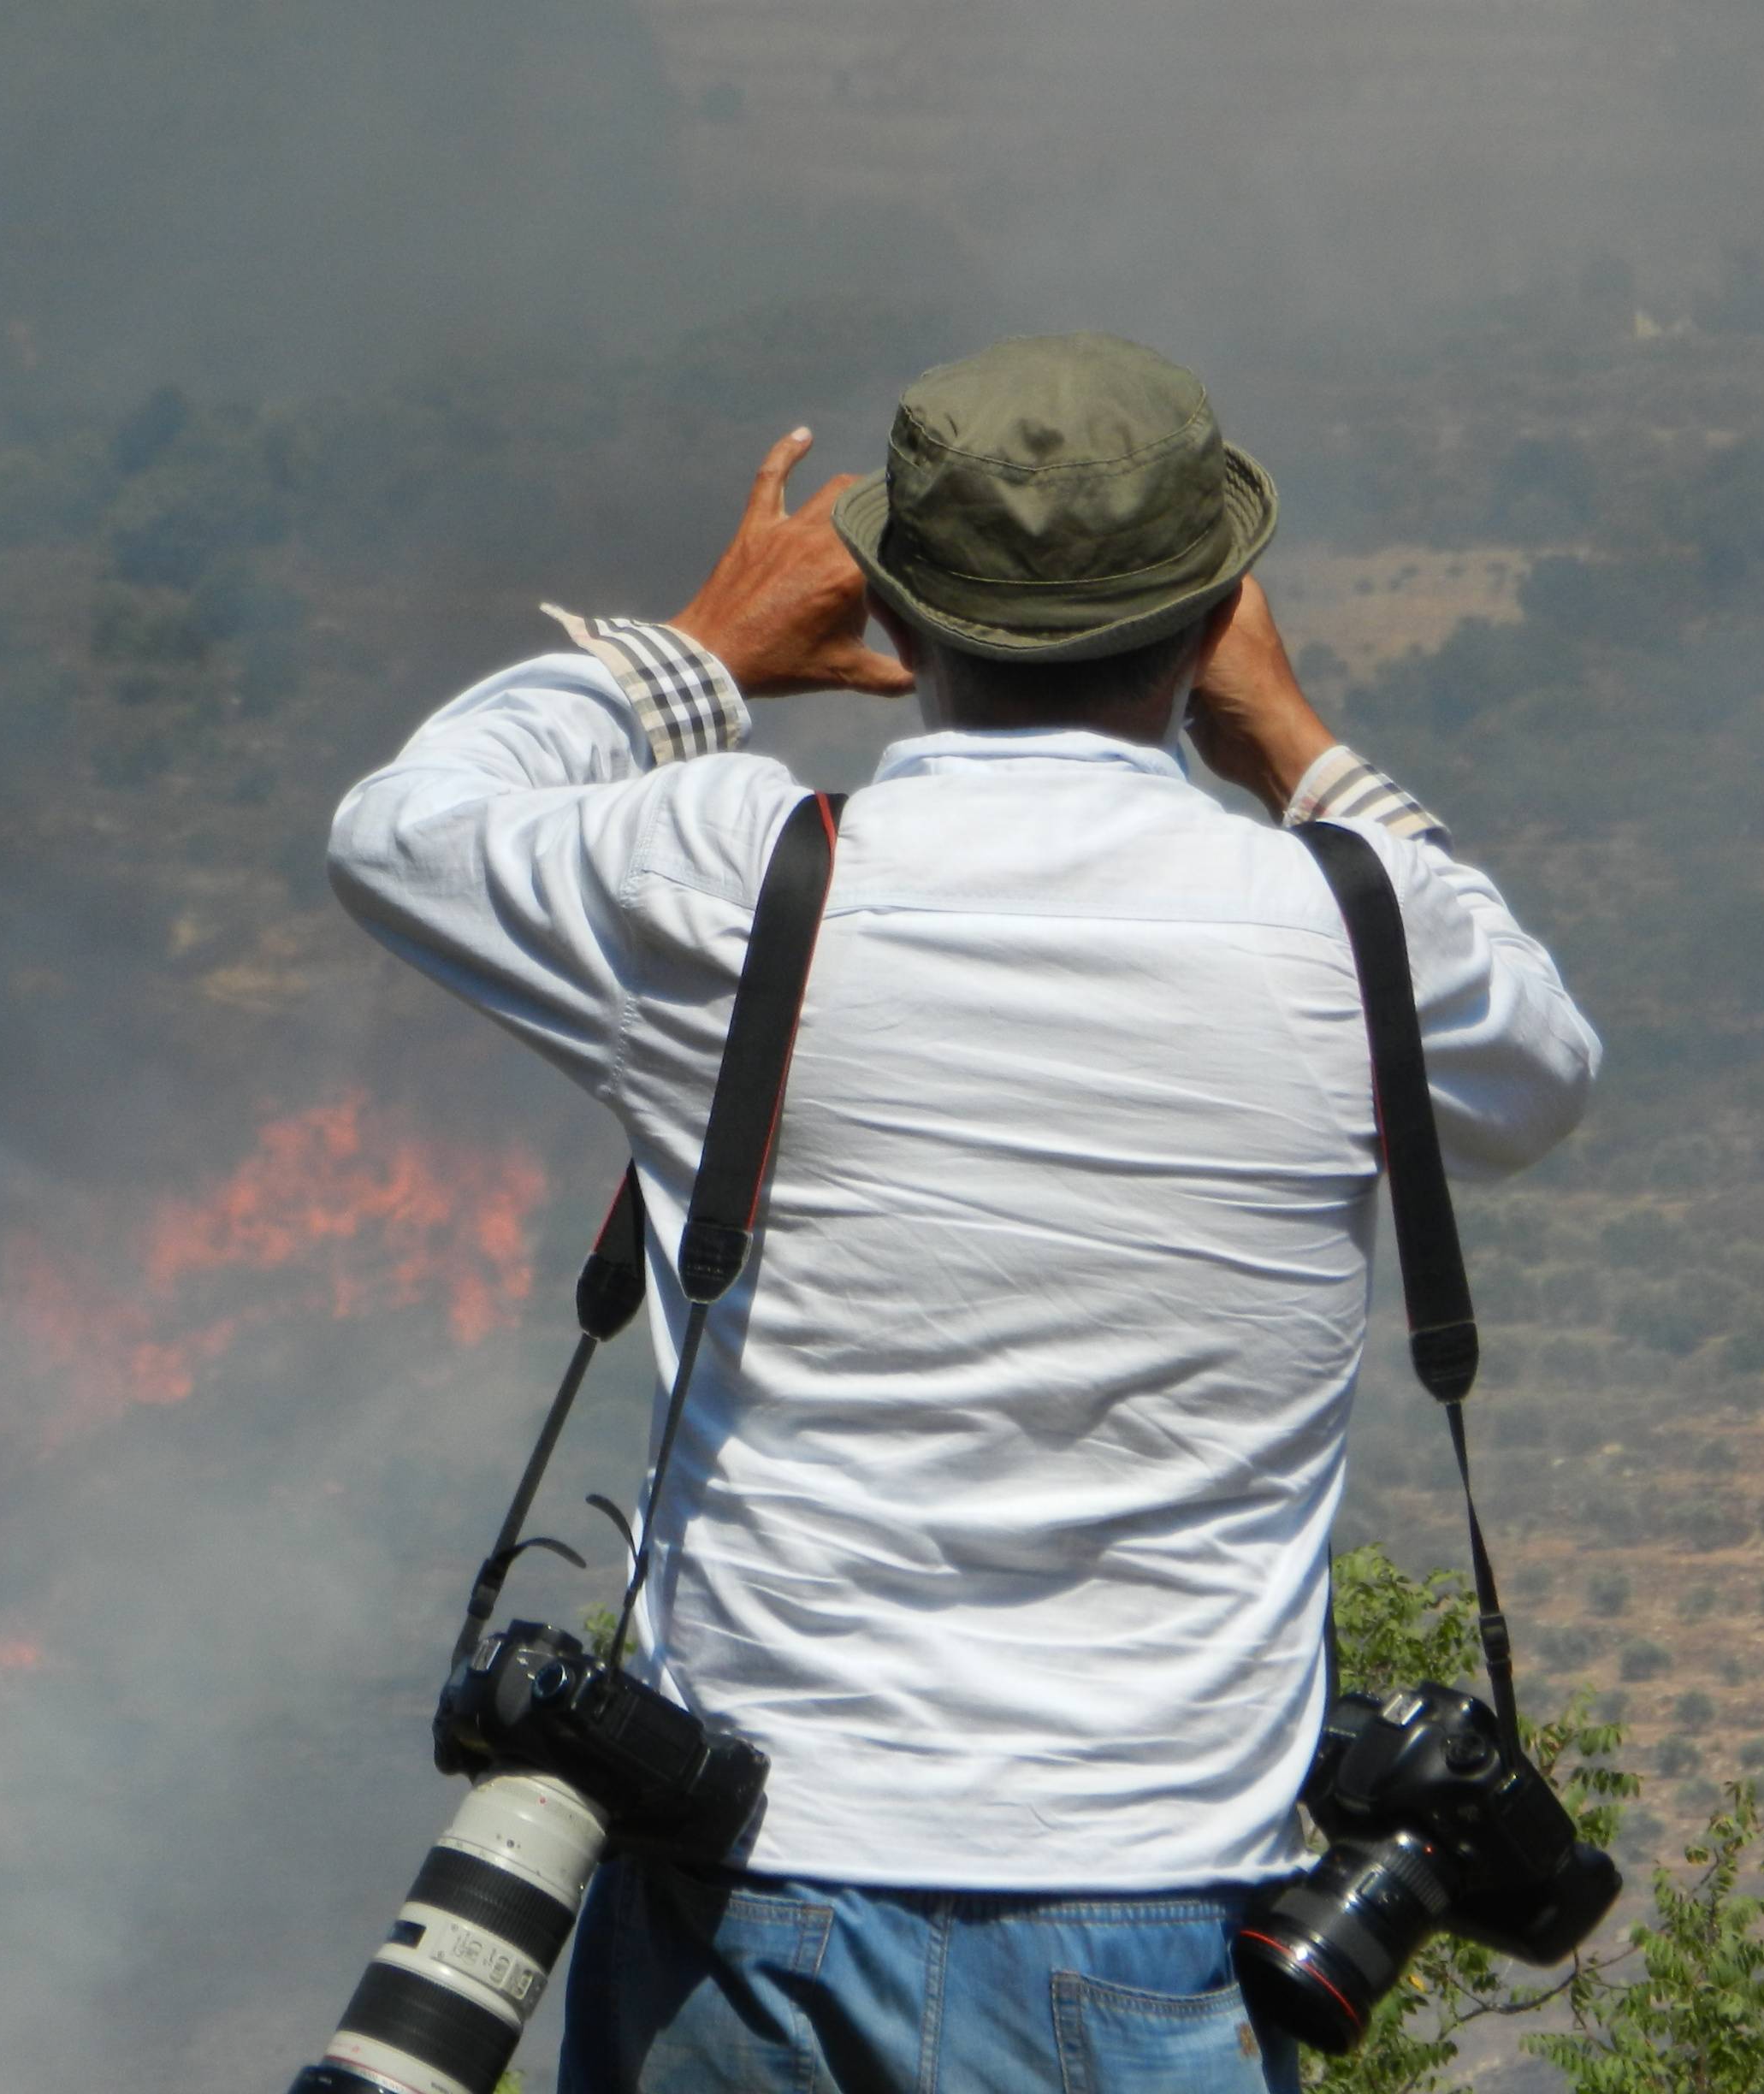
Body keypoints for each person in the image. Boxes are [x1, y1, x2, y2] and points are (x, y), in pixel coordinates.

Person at [324, 334, 1597, 2094]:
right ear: (1219, 609)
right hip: (1155, 1915)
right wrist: (1291, 736)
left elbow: (401, 832)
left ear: (901, 623)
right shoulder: (1352, 936)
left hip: (744, 1894)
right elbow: (1539, 1065)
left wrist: (697, 657)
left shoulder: (732, 878)